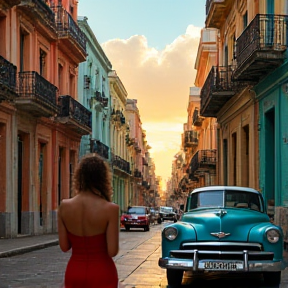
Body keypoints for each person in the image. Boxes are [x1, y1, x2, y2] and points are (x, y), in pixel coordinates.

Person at [57, 154, 120, 288]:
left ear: (79, 177)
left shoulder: (64, 206)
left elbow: (64, 246)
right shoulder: (111, 209)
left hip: (75, 271)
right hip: (102, 272)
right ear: (103, 179)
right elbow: (112, 251)